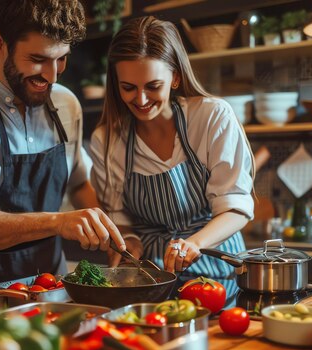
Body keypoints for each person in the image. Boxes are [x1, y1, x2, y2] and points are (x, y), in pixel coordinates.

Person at [0, 0, 125, 286]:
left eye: (62, 58)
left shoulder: (66, 104)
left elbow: (78, 182)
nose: (52, 75)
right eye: (38, 59)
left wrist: (115, 233)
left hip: (52, 288)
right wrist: (58, 222)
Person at [90, 16, 255, 300]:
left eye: (153, 86)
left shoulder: (211, 117)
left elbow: (235, 208)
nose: (140, 99)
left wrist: (193, 244)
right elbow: (119, 217)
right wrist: (129, 242)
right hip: (151, 278)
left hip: (219, 276)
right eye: (128, 87)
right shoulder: (107, 139)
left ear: (176, 77)